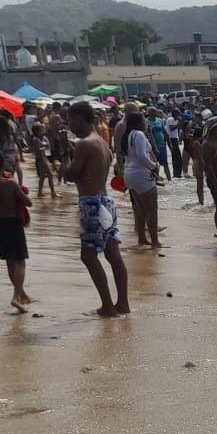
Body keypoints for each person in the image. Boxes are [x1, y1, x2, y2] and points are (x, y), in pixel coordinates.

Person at [61, 102, 129, 316]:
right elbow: (90, 169)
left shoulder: (83, 144)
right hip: (105, 201)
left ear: (79, 119)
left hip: (91, 203)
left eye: (70, 120)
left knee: (88, 256)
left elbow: (70, 175)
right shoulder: (101, 142)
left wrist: (64, 154)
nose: (69, 125)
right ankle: (123, 303)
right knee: (112, 253)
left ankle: (108, 306)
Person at [0, 145, 34, 312]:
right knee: (20, 261)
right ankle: (15, 297)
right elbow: (28, 202)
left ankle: (22, 295)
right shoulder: (10, 183)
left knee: (9, 261)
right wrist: (23, 191)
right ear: (1, 165)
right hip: (13, 223)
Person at [122, 112, 161, 248]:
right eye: (143, 121)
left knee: (141, 209)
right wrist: (154, 166)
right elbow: (141, 156)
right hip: (141, 175)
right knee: (152, 209)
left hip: (130, 175)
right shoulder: (138, 134)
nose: (145, 124)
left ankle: (142, 238)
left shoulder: (127, 135)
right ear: (138, 123)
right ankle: (155, 241)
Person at [29, 124, 57, 198]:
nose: (42, 132)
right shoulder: (36, 139)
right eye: (41, 131)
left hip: (41, 159)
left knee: (42, 176)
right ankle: (53, 192)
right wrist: (45, 147)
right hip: (41, 159)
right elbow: (37, 150)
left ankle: (40, 192)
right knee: (50, 175)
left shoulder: (36, 139)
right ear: (37, 131)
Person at [146, 108, 172, 181]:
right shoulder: (146, 122)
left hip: (162, 146)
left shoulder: (159, 121)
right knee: (154, 165)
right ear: (149, 113)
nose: (154, 113)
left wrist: (170, 145)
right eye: (152, 112)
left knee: (165, 164)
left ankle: (170, 180)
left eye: (155, 111)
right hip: (151, 148)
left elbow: (165, 133)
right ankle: (156, 180)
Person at [165, 109, 183, 178]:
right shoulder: (171, 119)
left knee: (176, 157)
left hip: (174, 139)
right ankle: (176, 173)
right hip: (172, 139)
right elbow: (172, 128)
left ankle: (177, 173)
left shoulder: (173, 120)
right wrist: (178, 123)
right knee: (177, 157)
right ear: (175, 114)